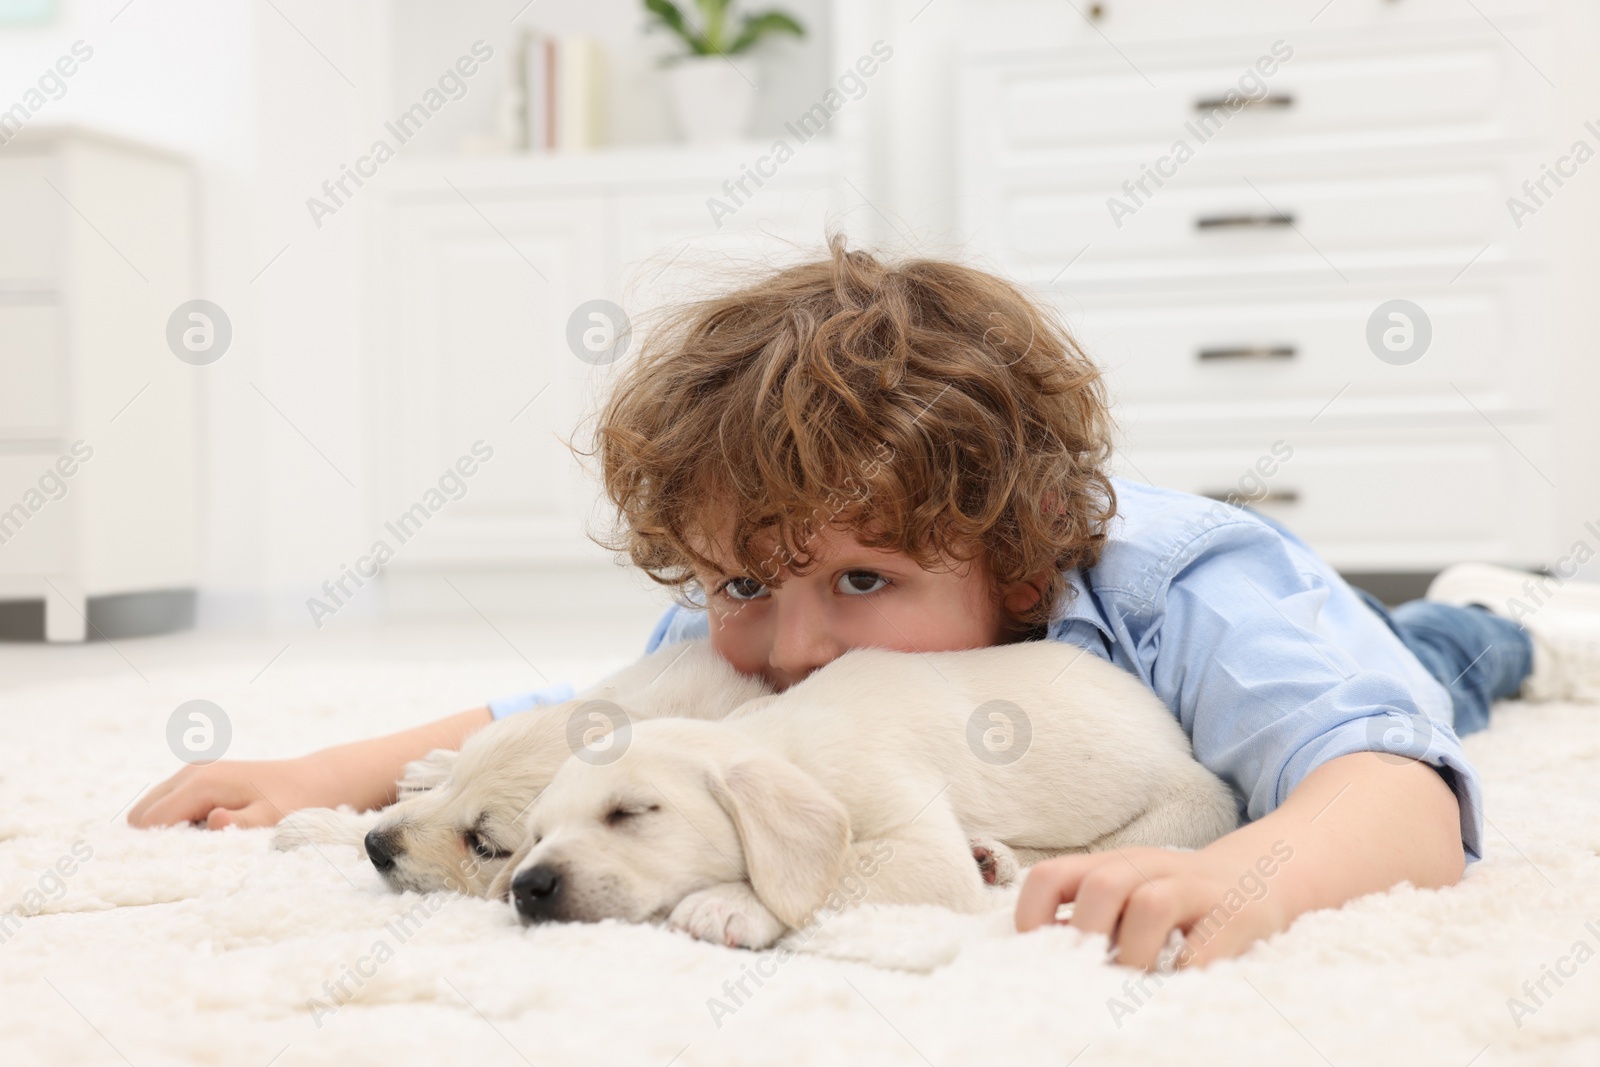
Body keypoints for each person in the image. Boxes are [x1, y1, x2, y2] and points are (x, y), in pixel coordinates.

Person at [128, 236, 1600, 968]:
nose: (792, 644)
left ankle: (1505, 618)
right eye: (742, 585)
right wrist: (323, 774)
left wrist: (1254, 874)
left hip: (1339, 669)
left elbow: (1394, 787)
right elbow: (569, 726)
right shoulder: (758, 643)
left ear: (1017, 567)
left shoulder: (1195, 583)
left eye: (863, 582)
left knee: (1433, 665)